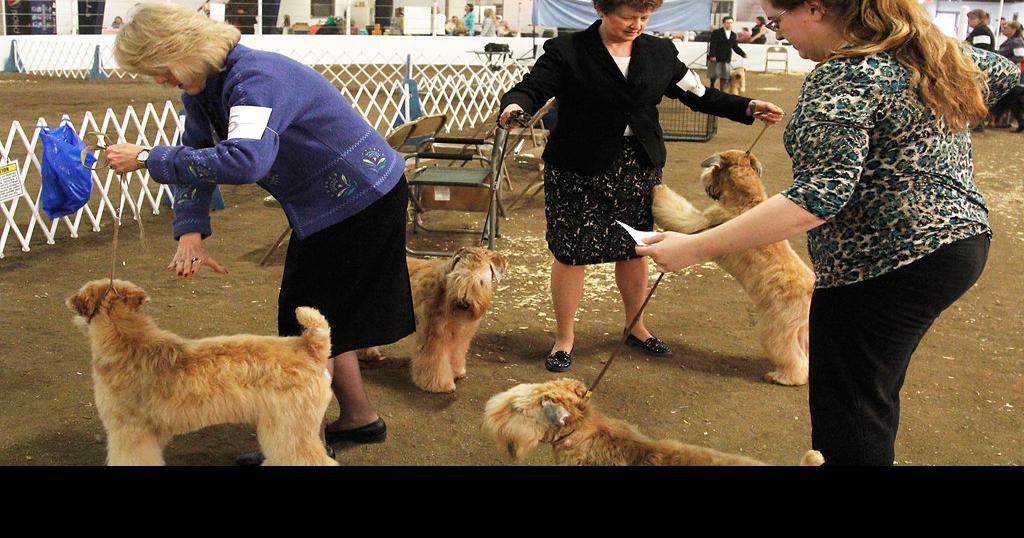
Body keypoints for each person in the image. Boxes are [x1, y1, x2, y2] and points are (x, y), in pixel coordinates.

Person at [637, 0, 1019, 465]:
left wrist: (695, 247)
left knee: (850, 411)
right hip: (958, 243)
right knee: (873, 389)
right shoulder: (923, 52)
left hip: (884, 260)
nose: (778, 35)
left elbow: (818, 198)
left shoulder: (844, 77)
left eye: (780, 22)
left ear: (816, 9)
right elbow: (1009, 78)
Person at [104, 3, 415, 465]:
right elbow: (197, 152)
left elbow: (247, 160)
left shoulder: (255, 80)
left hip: (360, 201)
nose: (159, 80)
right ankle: (359, 418)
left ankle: (302, 447)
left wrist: (150, 157)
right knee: (328, 319)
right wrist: (190, 230)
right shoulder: (203, 89)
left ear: (181, 50)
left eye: (158, 68)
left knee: (302, 324)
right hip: (334, 203)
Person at [498, 0, 783, 373]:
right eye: (628, 17)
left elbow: (698, 95)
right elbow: (532, 88)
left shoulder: (660, 51)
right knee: (571, 252)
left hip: (638, 163)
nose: (637, 25)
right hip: (577, 166)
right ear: (602, 9)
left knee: (636, 248)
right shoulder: (566, 50)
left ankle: (636, 326)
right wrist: (514, 106)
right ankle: (564, 337)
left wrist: (747, 107)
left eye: (644, 18)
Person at [708, 16, 747, 91]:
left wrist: (742, 53)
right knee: (714, 74)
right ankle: (712, 87)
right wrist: (712, 56)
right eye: (727, 23)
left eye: (731, 23)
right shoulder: (716, 33)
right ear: (723, 23)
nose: (729, 24)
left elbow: (735, 47)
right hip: (716, 57)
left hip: (726, 58)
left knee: (725, 76)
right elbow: (713, 45)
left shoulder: (733, 35)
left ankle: (722, 90)